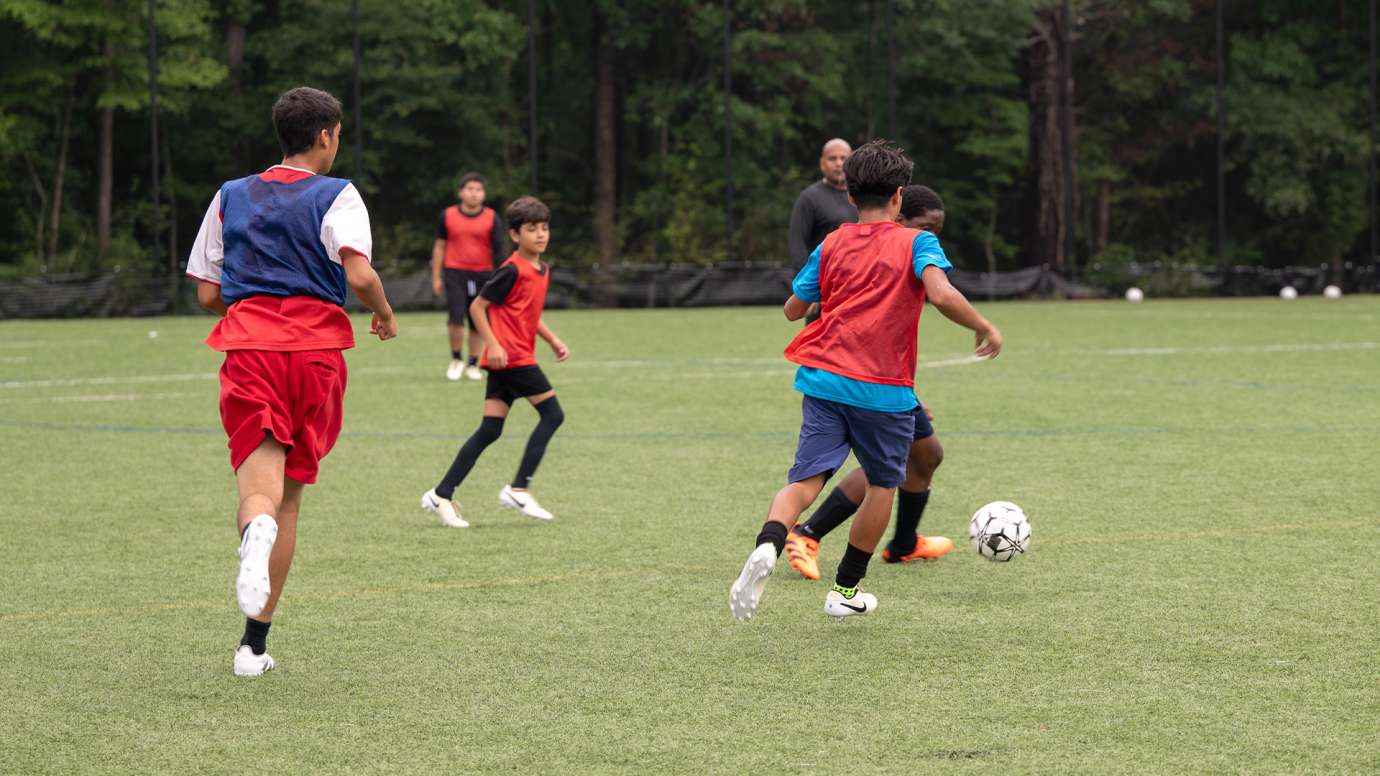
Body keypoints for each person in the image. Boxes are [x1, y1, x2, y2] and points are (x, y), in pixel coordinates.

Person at [727, 142, 1002, 622]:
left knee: (806, 479)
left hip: (822, 380)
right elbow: (940, 292)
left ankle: (770, 542)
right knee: (882, 483)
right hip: (882, 388)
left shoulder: (831, 241)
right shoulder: (918, 243)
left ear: (851, 198)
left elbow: (793, 309)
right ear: (899, 197)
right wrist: (983, 326)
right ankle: (845, 590)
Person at [185, 86, 398, 676]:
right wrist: (383, 311)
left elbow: (207, 291)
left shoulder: (229, 196)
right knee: (293, 500)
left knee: (260, 493)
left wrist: (254, 298)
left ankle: (254, 528)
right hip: (316, 354)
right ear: (326, 135)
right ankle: (252, 646)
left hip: (249, 348)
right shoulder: (340, 195)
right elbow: (358, 273)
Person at [783, 184, 954, 581]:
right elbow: (842, 327)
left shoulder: (912, 252)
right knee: (887, 467)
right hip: (857, 381)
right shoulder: (875, 250)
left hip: (884, 380)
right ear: (899, 215)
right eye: (928, 225)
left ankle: (904, 543)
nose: (934, 234)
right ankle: (806, 533)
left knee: (926, 454)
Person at [421, 196, 569, 527]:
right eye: (532, 229)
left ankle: (441, 494)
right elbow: (477, 307)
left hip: (512, 358)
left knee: (490, 429)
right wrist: (494, 343)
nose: (541, 234)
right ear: (516, 235)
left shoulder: (542, 270)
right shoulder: (511, 270)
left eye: (544, 228)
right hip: (512, 357)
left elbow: (529, 315)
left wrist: (553, 339)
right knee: (553, 414)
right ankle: (519, 489)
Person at [432, 172, 506, 381]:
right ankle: (456, 359)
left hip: (484, 275)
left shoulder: (492, 218)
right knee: (455, 318)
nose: (474, 193)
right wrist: (436, 276)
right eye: (470, 189)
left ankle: (473, 363)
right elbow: (439, 246)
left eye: (479, 190)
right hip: (455, 273)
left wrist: (501, 280)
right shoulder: (447, 215)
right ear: (461, 192)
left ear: (484, 194)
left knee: (478, 320)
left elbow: (499, 252)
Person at [788, 139, 858, 322]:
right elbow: (797, 244)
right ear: (822, 163)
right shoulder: (809, 198)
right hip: (824, 293)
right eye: (832, 158)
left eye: (843, 158)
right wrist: (808, 291)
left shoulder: (862, 197)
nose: (838, 163)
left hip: (859, 288)